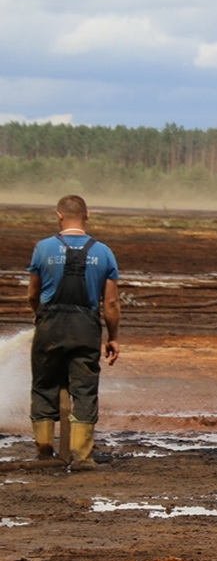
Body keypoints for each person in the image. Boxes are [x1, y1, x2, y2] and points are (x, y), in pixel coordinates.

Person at [27, 195, 121, 469]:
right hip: (86, 329)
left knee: (44, 387)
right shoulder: (104, 252)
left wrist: (42, 318)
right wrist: (113, 336)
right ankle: (82, 456)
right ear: (87, 215)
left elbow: (33, 294)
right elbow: (112, 303)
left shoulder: (42, 248)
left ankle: (45, 454)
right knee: (84, 389)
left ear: (59, 215)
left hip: (49, 327)